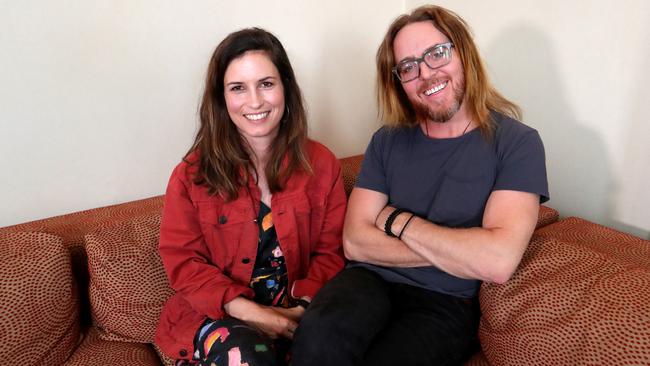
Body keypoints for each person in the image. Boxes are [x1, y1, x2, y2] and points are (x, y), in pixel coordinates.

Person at [291, 5, 549, 366]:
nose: (426, 74)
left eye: (437, 53)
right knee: (319, 338)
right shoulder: (387, 141)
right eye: (409, 67)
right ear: (398, 80)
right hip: (367, 281)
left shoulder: (517, 143)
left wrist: (397, 222)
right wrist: (456, 250)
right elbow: (354, 242)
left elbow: (497, 261)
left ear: (464, 52)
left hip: (444, 303)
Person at [154, 28, 346, 366]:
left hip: (300, 314)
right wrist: (246, 311)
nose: (254, 101)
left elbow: (331, 253)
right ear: (221, 98)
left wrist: (300, 310)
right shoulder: (189, 175)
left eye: (266, 84)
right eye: (238, 88)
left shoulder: (322, 164)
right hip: (219, 318)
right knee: (245, 354)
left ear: (286, 87)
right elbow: (183, 262)